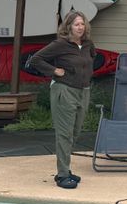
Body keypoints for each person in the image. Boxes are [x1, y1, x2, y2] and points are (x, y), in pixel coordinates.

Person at [27, 11, 96, 189]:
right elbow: (36, 60)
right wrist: (54, 71)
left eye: (82, 24)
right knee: (64, 133)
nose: (80, 27)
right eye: (76, 24)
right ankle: (63, 174)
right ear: (68, 27)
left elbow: (91, 59)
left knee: (75, 131)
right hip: (64, 90)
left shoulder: (88, 44)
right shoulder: (60, 44)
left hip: (84, 91)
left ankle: (64, 169)